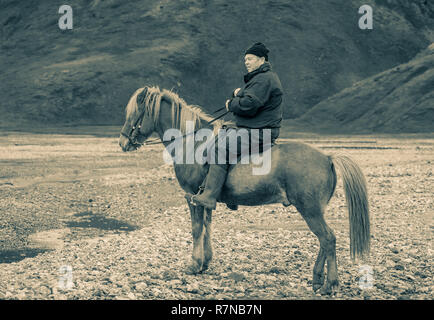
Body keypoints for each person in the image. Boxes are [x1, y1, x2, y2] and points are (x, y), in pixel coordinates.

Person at [188, 42, 284, 209]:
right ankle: (227, 195)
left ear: (261, 60)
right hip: (253, 128)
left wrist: (230, 104)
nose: (246, 62)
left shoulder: (263, 79)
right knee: (217, 140)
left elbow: (249, 105)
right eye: (245, 59)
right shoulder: (260, 78)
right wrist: (239, 93)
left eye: (250, 59)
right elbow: (250, 96)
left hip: (259, 131)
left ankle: (210, 197)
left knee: (220, 149)